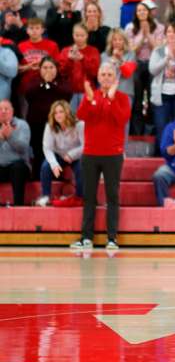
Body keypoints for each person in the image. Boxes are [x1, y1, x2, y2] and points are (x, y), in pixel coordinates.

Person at [70, 64, 131, 250]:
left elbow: (121, 119)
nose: (106, 78)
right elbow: (81, 115)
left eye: (109, 74)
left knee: (112, 196)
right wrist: (89, 100)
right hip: (90, 154)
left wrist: (111, 99)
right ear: (98, 76)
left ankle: (112, 238)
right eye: (103, 74)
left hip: (113, 154)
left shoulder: (122, 98)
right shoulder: (91, 95)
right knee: (89, 196)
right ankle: (86, 237)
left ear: (115, 78)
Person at [21, 57, 71, 172]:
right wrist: (44, 84)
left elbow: (67, 94)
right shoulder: (34, 80)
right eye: (45, 68)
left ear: (56, 69)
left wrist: (50, 85)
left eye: (51, 67)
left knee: (57, 152)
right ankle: (37, 177)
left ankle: (57, 174)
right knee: (38, 151)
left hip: (57, 125)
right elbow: (28, 94)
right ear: (40, 69)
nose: (48, 70)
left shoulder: (62, 80)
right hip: (37, 124)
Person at [149, 24, 175, 153]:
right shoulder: (158, 51)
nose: (171, 34)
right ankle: (162, 155)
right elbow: (152, 70)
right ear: (165, 34)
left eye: (174, 32)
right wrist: (166, 58)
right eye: (169, 31)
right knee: (161, 127)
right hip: (161, 95)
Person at [126, 0, 165, 135]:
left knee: (152, 98)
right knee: (137, 99)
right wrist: (142, 36)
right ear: (136, 13)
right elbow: (132, 51)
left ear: (149, 13)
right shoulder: (130, 28)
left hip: (153, 64)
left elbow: (159, 50)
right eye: (139, 10)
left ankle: (151, 131)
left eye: (144, 10)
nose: (141, 12)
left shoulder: (159, 28)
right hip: (136, 64)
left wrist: (148, 33)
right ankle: (136, 132)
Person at [36, 100, 84, 207]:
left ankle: (80, 197)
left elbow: (86, 145)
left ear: (67, 112)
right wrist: (54, 164)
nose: (58, 115)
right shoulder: (50, 126)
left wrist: (72, 155)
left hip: (76, 156)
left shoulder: (79, 125)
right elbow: (47, 148)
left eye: (61, 112)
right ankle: (46, 196)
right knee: (45, 166)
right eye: (55, 113)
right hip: (58, 155)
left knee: (82, 167)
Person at [57, 24, 100, 110]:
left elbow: (95, 73)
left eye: (82, 35)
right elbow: (61, 72)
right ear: (73, 35)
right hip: (69, 92)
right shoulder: (65, 51)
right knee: (70, 119)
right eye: (77, 35)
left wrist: (83, 59)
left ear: (87, 35)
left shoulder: (93, 51)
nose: (79, 38)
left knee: (86, 120)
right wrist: (69, 60)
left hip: (87, 91)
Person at [0, 99, 31, 206]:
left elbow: (23, 148)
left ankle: (19, 206)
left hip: (19, 167)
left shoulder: (22, 125)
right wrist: (1, 139)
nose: (3, 111)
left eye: (6, 109)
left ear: (12, 111)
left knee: (18, 167)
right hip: (2, 167)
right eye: (0, 109)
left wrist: (10, 137)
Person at [18, 17, 59, 90]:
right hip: (25, 86)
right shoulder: (20, 46)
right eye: (31, 28)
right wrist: (28, 66)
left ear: (42, 30)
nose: (34, 31)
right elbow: (15, 69)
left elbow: (58, 67)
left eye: (37, 28)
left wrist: (43, 65)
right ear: (27, 30)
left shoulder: (53, 45)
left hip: (48, 85)